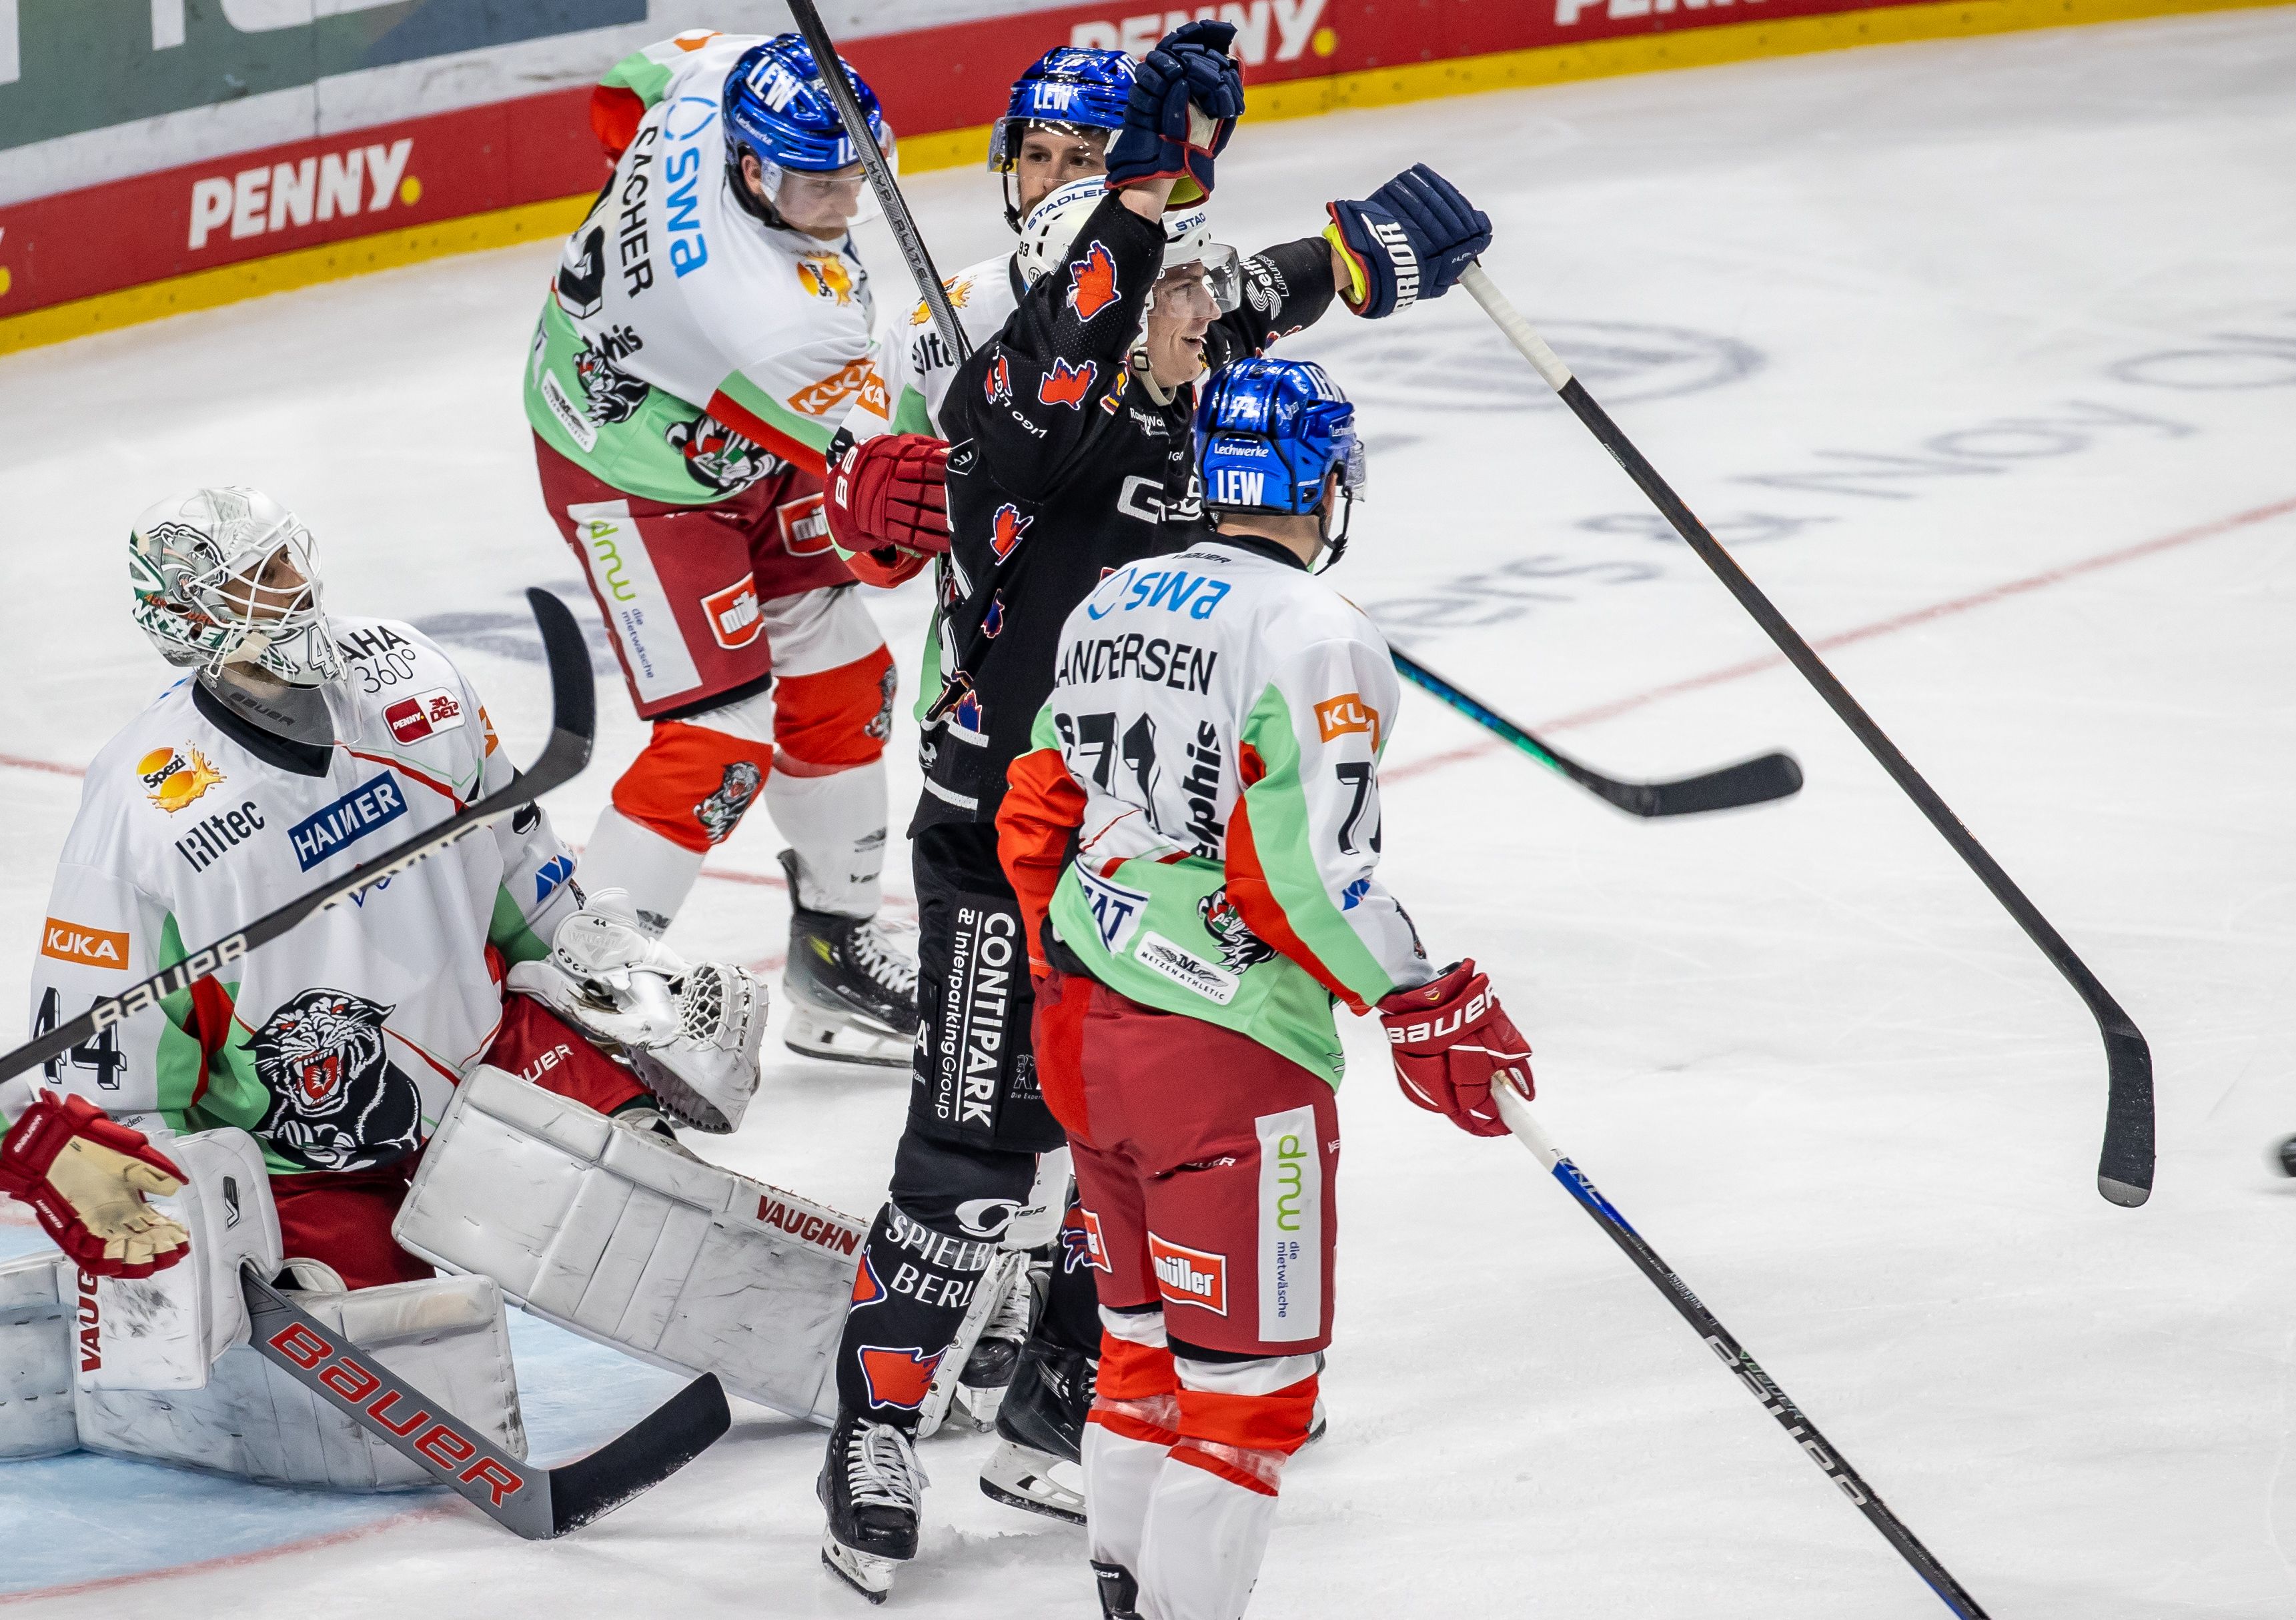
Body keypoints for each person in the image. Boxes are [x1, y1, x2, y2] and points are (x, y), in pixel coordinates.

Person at [814, 18, 1498, 1597]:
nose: (1204, 307)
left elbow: (1254, 288)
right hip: (999, 829)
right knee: (977, 1153)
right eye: (1165, 288)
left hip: (1132, 847)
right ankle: (876, 1422)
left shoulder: (1182, 359)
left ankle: (1062, 1400)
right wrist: (1136, 196)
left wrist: (1366, 257)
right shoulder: (1021, 412)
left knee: (1117, 1133)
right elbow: (1084, 317)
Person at [995, 355, 1537, 1619]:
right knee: (1247, 1399)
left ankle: (1126, 1598)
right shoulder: (1314, 632)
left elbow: (1036, 806)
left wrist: (1072, 969)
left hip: (1085, 1029)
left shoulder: (1113, 597)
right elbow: (1301, 877)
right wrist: (1424, 997)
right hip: (1225, 1061)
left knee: (1140, 1355)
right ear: (1328, 485)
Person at [0, 488, 759, 1293]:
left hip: (491, 1067)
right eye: (260, 575)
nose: (296, 582)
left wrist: (609, 981)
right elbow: (108, 1054)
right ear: (193, 615)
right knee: (385, 1341)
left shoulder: (409, 675)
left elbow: (519, 870)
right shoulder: (140, 807)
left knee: (669, 1214)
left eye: (288, 557)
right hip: (294, 1159)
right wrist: (164, 1197)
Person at [528, 29, 950, 1067]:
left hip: (731, 431)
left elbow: (622, 88)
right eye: (818, 185)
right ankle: (584, 1003)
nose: (846, 203)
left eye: (858, 171)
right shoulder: (759, 314)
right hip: (634, 476)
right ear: (753, 169)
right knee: (717, 738)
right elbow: (890, 508)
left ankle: (837, 958)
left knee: (845, 682)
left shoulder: (717, 75)